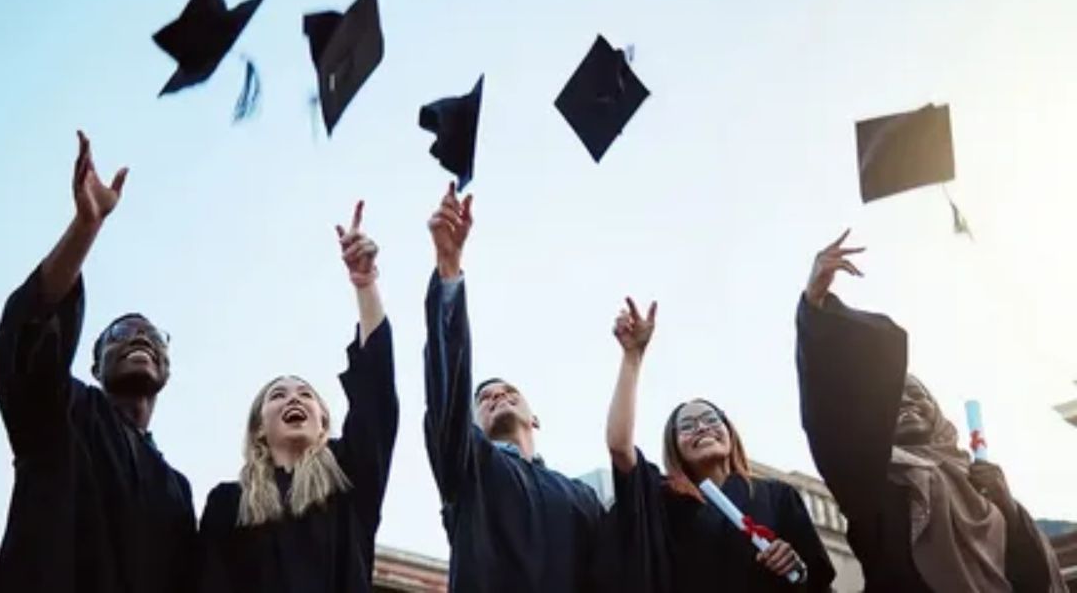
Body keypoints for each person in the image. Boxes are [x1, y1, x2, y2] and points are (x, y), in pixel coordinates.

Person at [795, 230, 1067, 592]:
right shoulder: (875, 482)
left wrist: (1010, 511)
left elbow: (1035, 579)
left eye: (917, 396)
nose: (907, 404)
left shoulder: (981, 484)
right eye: (895, 400)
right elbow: (829, 420)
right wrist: (815, 308)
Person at [0, 131, 196, 593]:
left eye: (151, 336)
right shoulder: (64, 413)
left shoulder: (177, 491)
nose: (139, 336)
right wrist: (87, 226)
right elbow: (26, 339)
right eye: (120, 334)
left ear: (167, 368)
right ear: (95, 366)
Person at [197, 201, 398, 593]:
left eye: (306, 394)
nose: (294, 399)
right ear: (258, 428)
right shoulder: (228, 504)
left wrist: (365, 284)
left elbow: (377, 398)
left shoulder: (348, 480)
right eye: (278, 395)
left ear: (323, 422)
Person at [422, 183, 604, 593]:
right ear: (471, 424)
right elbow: (445, 392)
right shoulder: (470, 471)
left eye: (507, 391)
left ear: (534, 416)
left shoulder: (581, 498)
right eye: (483, 398)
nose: (496, 395)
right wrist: (449, 269)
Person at [603, 298, 835, 592]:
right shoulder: (666, 502)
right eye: (686, 426)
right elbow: (620, 447)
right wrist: (633, 356)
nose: (701, 428)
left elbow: (817, 581)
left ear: (729, 431)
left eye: (710, 420)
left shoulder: (778, 497)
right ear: (674, 445)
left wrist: (796, 567)